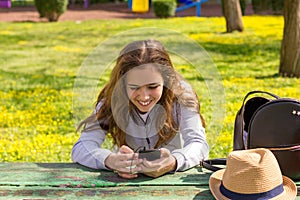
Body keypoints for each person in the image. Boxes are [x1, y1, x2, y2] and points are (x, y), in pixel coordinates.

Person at [72, 39, 209, 179]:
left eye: (152, 87)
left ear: (166, 80)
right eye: (134, 87)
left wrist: (173, 161)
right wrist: (109, 160)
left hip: (173, 180)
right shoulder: (113, 99)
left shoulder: (182, 95)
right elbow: (81, 147)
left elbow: (199, 144)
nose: (144, 97)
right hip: (125, 183)